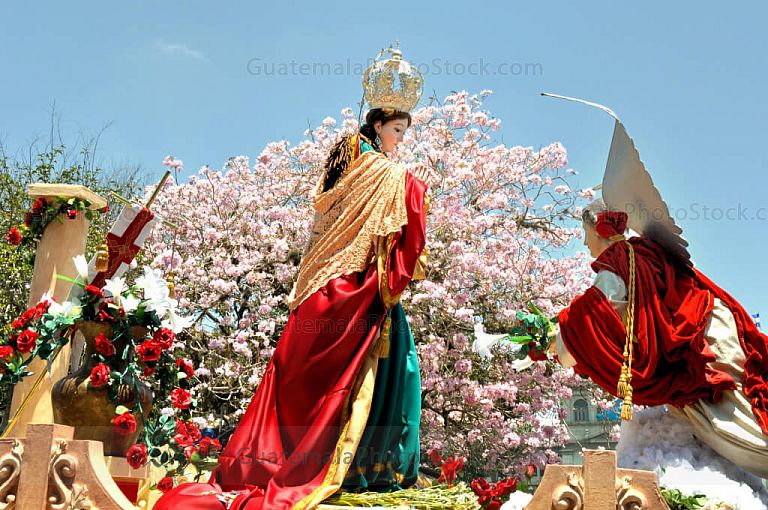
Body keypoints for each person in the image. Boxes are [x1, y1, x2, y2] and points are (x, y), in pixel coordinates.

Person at [155, 47, 433, 510]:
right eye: (397, 131)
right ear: (378, 124)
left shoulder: (378, 165)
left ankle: (368, 470)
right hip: (349, 278)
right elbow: (344, 204)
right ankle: (304, 463)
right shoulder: (364, 159)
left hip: (365, 279)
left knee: (393, 363)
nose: (400, 143)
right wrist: (406, 183)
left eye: (405, 133)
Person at [552, 199, 768, 478]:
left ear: (600, 229)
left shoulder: (619, 263)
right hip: (716, 331)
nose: (584, 243)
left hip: (702, 356)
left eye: (585, 233)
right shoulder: (646, 252)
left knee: (742, 430)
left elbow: (587, 320)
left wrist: (555, 339)